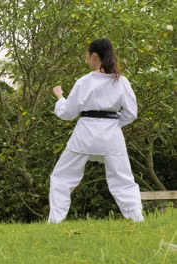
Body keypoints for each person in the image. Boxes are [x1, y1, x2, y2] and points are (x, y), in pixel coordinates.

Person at [48, 38, 144, 224]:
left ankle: (55, 221)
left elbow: (68, 113)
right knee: (123, 180)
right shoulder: (121, 81)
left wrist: (60, 97)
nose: (86, 58)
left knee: (62, 178)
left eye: (87, 55)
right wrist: (113, 125)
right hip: (111, 137)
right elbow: (131, 113)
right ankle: (136, 219)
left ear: (94, 56)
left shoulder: (84, 81)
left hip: (84, 135)